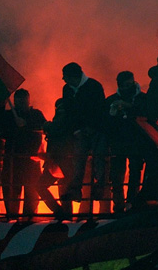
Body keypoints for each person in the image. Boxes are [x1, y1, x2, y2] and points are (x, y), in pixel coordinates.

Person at [58, 62, 106, 220]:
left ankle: (100, 188)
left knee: (99, 159)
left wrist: (90, 127)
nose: (64, 80)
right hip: (80, 131)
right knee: (78, 160)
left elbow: (99, 110)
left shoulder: (94, 87)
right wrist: (77, 130)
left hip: (97, 129)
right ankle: (76, 190)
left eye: (66, 77)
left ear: (74, 76)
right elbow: (70, 112)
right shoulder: (69, 89)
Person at [0, 89, 47, 219]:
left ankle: (29, 219)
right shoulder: (8, 116)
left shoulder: (36, 114)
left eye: (23, 99)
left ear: (28, 100)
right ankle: (12, 217)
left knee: (31, 193)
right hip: (12, 159)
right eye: (18, 100)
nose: (20, 102)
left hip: (30, 160)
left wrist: (26, 124)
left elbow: (44, 128)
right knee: (11, 192)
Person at [105, 71, 148, 213]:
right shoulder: (112, 100)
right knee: (117, 176)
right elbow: (105, 121)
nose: (126, 88)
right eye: (123, 85)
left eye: (128, 85)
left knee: (134, 174)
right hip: (119, 142)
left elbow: (146, 113)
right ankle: (118, 205)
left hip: (136, 142)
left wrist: (127, 106)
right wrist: (112, 113)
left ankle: (132, 204)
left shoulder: (142, 99)